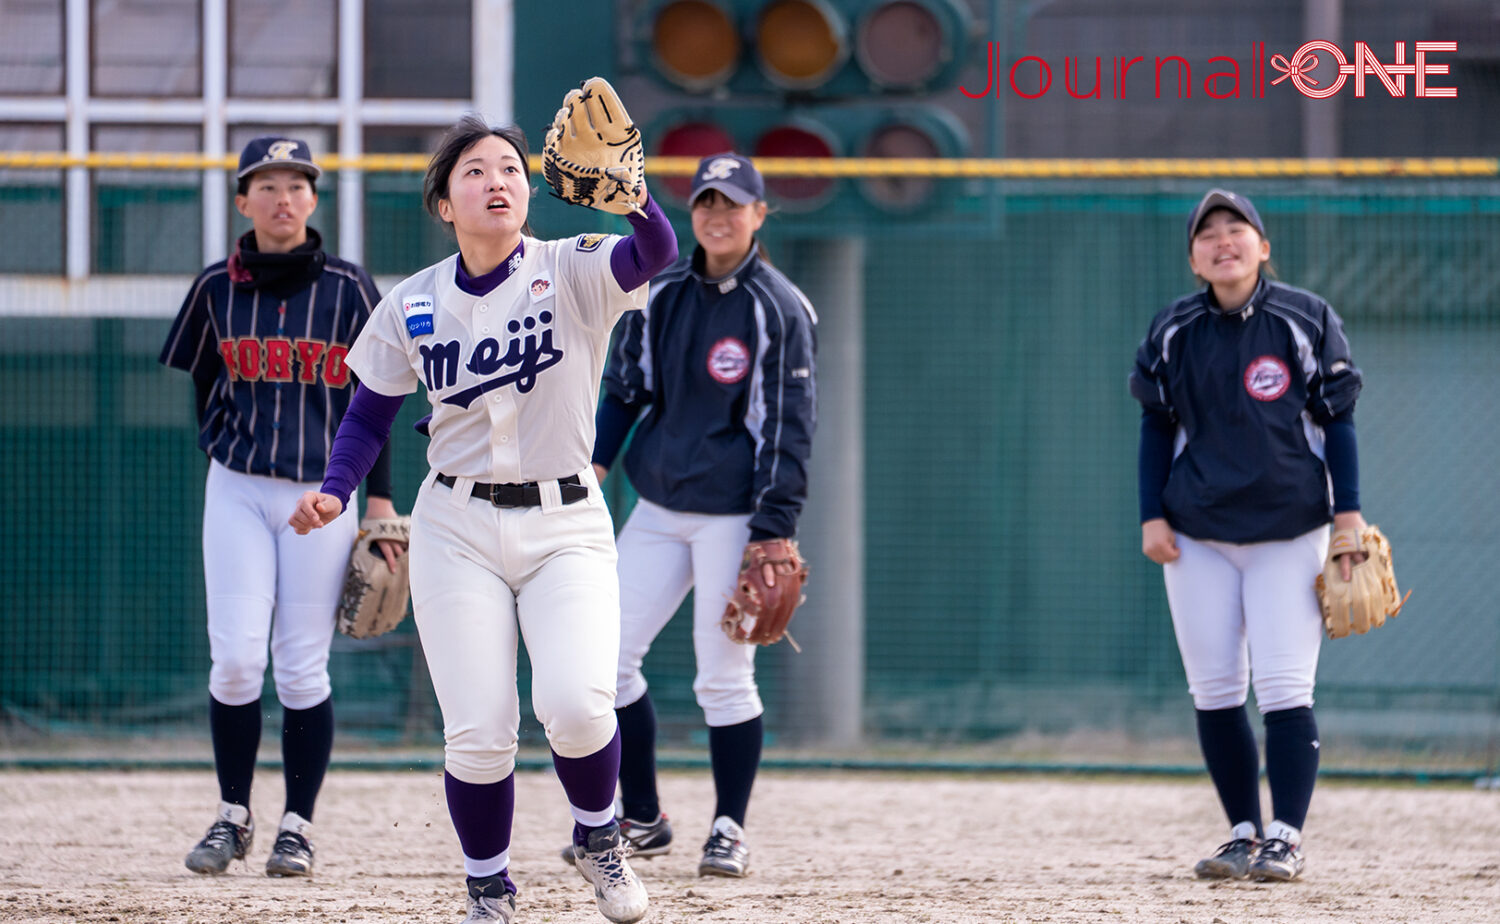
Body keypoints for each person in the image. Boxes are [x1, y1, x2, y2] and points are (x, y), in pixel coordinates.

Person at [288, 112, 677, 924]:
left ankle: (600, 838)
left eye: (509, 167)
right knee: (479, 731)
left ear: (528, 192)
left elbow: (657, 254)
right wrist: (336, 487)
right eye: (474, 170)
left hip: (565, 519)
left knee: (576, 704)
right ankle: (488, 888)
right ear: (443, 203)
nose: (496, 180)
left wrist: (635, 198)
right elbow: (367, 416)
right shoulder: (412, 301)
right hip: (454, 527)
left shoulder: (572, 266)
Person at [160, 135, 404, 878]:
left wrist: (379, 503)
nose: (283, 198)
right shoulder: (214, 289)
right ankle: (234, 816)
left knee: (302, 669)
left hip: (323, 495)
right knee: (235, 660)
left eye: (297, 184)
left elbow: (379, 396)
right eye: (266, 185)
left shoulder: (349, 286)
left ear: (313, 199)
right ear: (242, 202)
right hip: (236, 486)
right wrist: (223, 456)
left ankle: (297, 826)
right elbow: (203, 385)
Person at [574, 152, 817, 879]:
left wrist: (775, 525)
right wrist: (593, 469)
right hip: (658, 502)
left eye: (732, 204)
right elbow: (624, 390)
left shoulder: (778, 307)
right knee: (602, 664)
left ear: (759, 215)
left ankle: (729, 828)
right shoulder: (662, 291)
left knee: (722, 680)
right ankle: (643, 817)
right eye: (706, 201)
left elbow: (790, 426)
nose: (717, 215)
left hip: (734, 516)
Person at [1129, 189, 1366, 883]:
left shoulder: (1304, 317)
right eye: (1208, 234)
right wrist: (1153, 515)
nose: (1223, 241)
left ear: (1264, 248)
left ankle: (1285, 837)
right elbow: (1156, 428)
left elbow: (1339, 420)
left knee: (1286, 687)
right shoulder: (1173, 328)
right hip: (1197, 532)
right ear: (1194, 258)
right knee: (1216, 690)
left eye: (1238, 230)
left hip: (1290, 528)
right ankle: (1241, 833)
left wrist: (1348, 515)